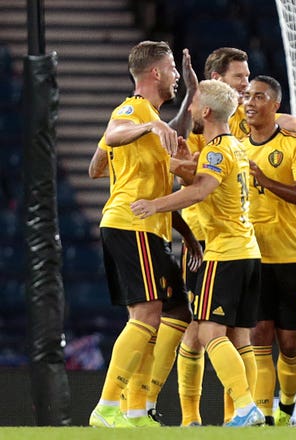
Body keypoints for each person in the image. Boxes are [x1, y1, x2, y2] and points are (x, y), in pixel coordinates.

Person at [174, 47, 296, 426]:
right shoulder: (203, 122)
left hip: (249, 249)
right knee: (222, 335)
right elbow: (192, 170)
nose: (246, 88)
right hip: (210, 241)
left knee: (253, 338)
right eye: (241, 79)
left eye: (252, 85)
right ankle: (225, 415)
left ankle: (254, 409)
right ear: (217, 80)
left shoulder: (242, 126)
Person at [130, 78, 265, 427]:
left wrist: (155, 204)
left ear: (206, 111)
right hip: (248, 252)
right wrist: (184, 167)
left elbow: (203, 190)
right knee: (238, 336)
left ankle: (246, 406)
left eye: (194, 105)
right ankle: (246, 412)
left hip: (225, 253)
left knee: (207, 332)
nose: (188, 109)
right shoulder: (233, 147)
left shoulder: (217, 150)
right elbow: (206, 182)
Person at [88, 40, 195, 428]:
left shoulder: (150, 117)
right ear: (155, 73)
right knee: (149, 315)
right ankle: (107, 405)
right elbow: (114, 133)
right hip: (133, 224)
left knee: (164, 313)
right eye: (172, 70)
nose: (176, 77)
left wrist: (190, 97)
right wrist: (145, 126)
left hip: (145, 227)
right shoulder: (133, 110)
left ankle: (134, 410)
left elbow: (94, 168)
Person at [240, 75, 296, 426]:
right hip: (253, 256)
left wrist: (266, 181)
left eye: (258, 97)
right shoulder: (235, 144)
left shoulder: (295, 145)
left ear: (275, 106)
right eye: (246, 96)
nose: (250, 103)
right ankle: (265, 417)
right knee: (259, 335)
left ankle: (287, 405)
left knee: (289, 342)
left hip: (291, 256)